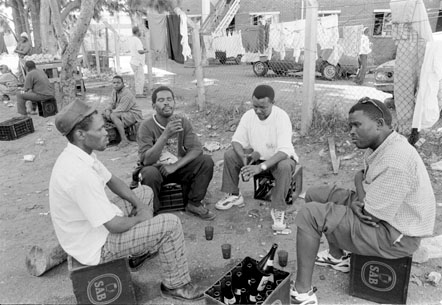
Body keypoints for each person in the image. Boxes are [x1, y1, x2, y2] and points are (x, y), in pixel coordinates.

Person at [49, 99, 205, 301]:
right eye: (100, 129)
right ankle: (176, 285)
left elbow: (113, 181)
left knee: (145, 192)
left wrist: (141, 206)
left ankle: (138, 252)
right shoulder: (78, 174)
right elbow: (113, 225)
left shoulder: (81, 154)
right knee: (171, 224)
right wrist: (142, 218)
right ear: (80, 134)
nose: (107, 132)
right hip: (96, 247)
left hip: (92, 229)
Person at [290, 97, 436, 305]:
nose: (351, 131)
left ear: (379, 124)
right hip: (382, 215)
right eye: (350, 125)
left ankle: (301, 292)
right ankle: (337, 257)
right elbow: (363, 182)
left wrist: (359, 190)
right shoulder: (383, 144)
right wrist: (359, 187)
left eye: (357, 125)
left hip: (394, 236)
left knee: (309, 214)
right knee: (315, 194)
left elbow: (369, 214)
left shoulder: (396, 159)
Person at [215, 84, 299, 231]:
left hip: (277, 160)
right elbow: (237, 141)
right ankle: (234, 194)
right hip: (257, 157)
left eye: (263, 107)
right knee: (230, 154)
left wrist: (260, 167)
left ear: (273, 103)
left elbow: (284, 151)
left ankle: (278, 208)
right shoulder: (248, 116)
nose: (258, 111)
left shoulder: (282, 117)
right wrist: (244, 160)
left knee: (285, 166)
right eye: (255, 106)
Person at [135, 86, 216, 220]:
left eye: (169, 99)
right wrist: (165, 135)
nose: (166, 103)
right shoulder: (146, 126)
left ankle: (193, 203)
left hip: (178, 168)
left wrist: (176, 165)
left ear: (174, 102)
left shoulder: (182, 122)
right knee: (148, 172)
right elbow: (146, 160)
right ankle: (152, 212)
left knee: (206, 161)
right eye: (161, 100)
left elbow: (196, 149)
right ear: (153, 105)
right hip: (157, 170)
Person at [104, 75, 143, 148]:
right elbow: (111, 103)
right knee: (103, 114)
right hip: (122, 112)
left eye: (118, 82)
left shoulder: (126, 93)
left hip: (133, 114)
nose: (116, 84)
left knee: (113, 116)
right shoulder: (114, 91)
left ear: (123, 83)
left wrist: (110, 113)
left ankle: (124, 139)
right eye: (114, 82)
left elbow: (121, 109)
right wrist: (107, 110)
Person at [129, 26, 148, 98]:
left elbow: (136, 49)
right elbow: (140, 51)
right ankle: (139, 93)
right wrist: (146, 51)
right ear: (137, 32)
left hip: (134, 61)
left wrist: (143, 49)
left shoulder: (132, 39)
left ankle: (139, 92)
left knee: (137, 78)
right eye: (140, 31)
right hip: (137, 62)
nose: (141, 32)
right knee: (140, 78)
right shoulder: (137, 40)